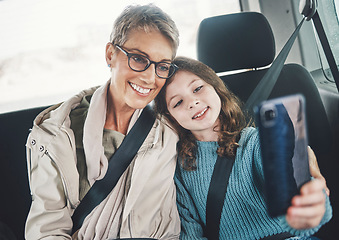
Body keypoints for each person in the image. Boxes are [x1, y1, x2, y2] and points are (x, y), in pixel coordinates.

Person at [25, 4, 180, 240]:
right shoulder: (58, 134)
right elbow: (47, 230)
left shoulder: (168, 136)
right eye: (138, 59)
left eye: (163, 67)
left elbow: (170, 226)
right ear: (110, 54)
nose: (150, 78)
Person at [154, 56, 332, 240]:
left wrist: (309, 204)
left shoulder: (256, 142)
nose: (192, 102)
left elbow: (288, 178)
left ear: (216, 87)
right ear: (170, 116)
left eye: (198, 88)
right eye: (178, 102)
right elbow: (191, 229)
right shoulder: (180, 167)